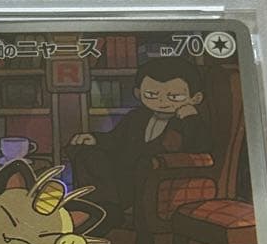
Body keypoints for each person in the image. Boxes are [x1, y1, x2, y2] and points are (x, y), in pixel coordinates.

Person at [67, 57, 212, 234]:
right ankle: (99, 209)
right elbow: (116, 139)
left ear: (195, 98)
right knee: (87, 154)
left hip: (154, 178)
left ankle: (105, 213)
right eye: (151, 95)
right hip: (120, 174)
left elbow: (201, 147)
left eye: (174, 97)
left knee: (128, 174)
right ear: (138, 93)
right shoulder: (136, 116)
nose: (162, 101)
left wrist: (190, 118)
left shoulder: (189, 123)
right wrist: (95, 139)